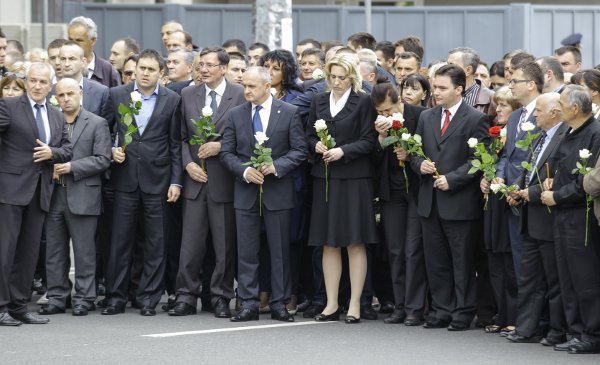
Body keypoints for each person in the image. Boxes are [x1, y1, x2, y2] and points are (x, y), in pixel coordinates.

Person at [220, 66, 307, 322]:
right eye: (244, 85)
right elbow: (227, 152)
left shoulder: (289, 112)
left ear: (267, 86)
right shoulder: (236, 114)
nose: (246, 91)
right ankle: (248, 303)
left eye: (252, 86)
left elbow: (300, 150)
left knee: (279, 250)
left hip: (278, 191)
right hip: (246, 191)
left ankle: (279, 303)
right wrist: (244, 172)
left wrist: (277, 167)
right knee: (246, 250)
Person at [101, 49, 182, 316]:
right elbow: (104, 132)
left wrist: (176, 181)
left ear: (161, 73)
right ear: (134, 70)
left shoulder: (173, 100)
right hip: (124, 179)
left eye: (151, 69)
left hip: (158, 180)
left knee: (156, 242)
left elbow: (175, 144)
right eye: (141, 69)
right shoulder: (116, 95)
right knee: (119, 241)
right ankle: (115, 296)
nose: (145, 73)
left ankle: (148, 297)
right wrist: (111, 151)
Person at [409, 64, 489, 331]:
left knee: (462, 260)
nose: (437, 92)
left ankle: (464, 311)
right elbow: (415, 150)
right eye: (435, 87)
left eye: (443, 88)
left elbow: (478, 160)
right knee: (436, 260)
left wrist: (452, 179)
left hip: (460, 203)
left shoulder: (475, 119)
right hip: (429, 201)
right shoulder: (427, 117)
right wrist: (419, 164)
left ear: (459, 89)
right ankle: (442, 309)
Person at [170, 47, 245, 318]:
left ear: (224, 68)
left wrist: (221, 146)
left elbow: (245, 136)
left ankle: (221, 296)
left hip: (224, 179)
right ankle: (185, 296)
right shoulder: (188, 94)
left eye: (210, 65)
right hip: (194, 180)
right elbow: (179, 138)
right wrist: (188, 164)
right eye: (201, 65)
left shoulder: (238, 94)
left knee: (224, 245)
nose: (203, 69)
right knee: (190, 244)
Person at [306, 54, 378, 324]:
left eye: (341, 77)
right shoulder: (318, 100)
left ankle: (356, 303)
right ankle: (331, 302)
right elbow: (309, 133)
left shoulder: (363, 101)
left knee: (354, 241)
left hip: (354, 179)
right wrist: (317, 145)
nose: (336, 82)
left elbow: (369, 140)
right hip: (324, 177)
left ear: (353, 78)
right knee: (328, 242)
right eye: (332, 77)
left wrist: (342, 151)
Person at [0, 62, 72, 326]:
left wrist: (52, 153)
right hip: (10, 190)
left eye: (43, 82)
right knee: (4, 251)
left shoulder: (55, 114)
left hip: (40, 190)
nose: (38, 86)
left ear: (50, 84)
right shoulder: (8, 106)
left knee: (28, 252)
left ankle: (19, 306)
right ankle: (0, 307)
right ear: (26, 81)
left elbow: (67, 149)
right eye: (33, 81)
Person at [38, 78, 111, 317]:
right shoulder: (50, 121)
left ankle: (84, 297)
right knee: (55, 251)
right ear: (55, 97)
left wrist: (72, 167)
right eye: (61, 95)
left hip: (83, 192)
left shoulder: (97, 123)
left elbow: (103, 159)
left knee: (84, 251)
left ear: (80, 93)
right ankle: (58, 296)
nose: (66, 99)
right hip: (53, 194)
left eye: (70, 93)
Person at [504, 92, 567, 344]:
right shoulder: (539, 136)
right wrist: (517, 190)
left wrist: (530, 192)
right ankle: (526, 327)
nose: (535, 114)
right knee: (529, 277)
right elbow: (528, 168)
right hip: (530, 217)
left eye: (539, 110)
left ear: (554, 112)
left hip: (548, 216)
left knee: (553, 278)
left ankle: (556, 329)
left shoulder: (564, 137)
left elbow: (561, 177)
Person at [541, 85, 600, 354]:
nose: (557, 109)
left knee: (585, 277)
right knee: (566, 274)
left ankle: (592, 333)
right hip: (563, 213)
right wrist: (553, 180)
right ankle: (575, 329)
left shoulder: (594, 134)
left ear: (576, 109)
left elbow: (587, 182)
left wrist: (558, 195)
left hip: (581, 214)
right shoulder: (569, 130)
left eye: (562, 105)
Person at [371, 80, 427, 325]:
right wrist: (381, 138)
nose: (385, 115)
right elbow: (371, 158)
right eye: (380, 112)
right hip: (391, 190)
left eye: (388, 110)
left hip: (415, 189)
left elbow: (429, 151)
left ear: (400, 102)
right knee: (394, 249)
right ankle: (399, 303)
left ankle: (415, 306)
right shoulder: (377, 123)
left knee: (412, 249)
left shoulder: (421, 116)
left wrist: (410, 154)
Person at [493, 61, 543, 280]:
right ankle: (525, 315)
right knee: (518, 262)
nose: (510, 84)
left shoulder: (545, 114)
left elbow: (539, 157)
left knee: (535, 267)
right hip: (511, 198)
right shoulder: (515, 117)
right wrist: (500, 176)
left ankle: (539, 315)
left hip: (531, 198)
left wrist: (521, 188)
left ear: (531, 84)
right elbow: (507, 155)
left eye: (515, 81)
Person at [479, 86, 520, 335]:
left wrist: (498, 177)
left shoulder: (516, 134)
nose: (499, 109)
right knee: (494, 260)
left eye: (505, 105)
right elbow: (491, 163)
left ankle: (514, 315)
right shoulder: (496, 134)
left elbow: (506, 163)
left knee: (510, 263)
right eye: (498, 104)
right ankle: (501, 312)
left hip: (508, 202)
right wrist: (484, 178)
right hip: (492, 202)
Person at [57, 41, 110, 118]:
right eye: (63, 59)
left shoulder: (100, 92)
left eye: (72, 59)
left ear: (83, 62)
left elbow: (105, 126)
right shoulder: (49, 92)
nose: (67, 64)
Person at [67, 16, 121, 88]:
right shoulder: (61, 67)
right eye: (70, 40)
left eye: (79, 40)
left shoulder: (108, 70)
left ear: (93, 40)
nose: (73, 45)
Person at [447, 47, 496, 119]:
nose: (445, 69)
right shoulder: (439, 94)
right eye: (447, 65)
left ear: (468, 70)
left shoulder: (491, 98)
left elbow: (497, 128)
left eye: (451, 65)